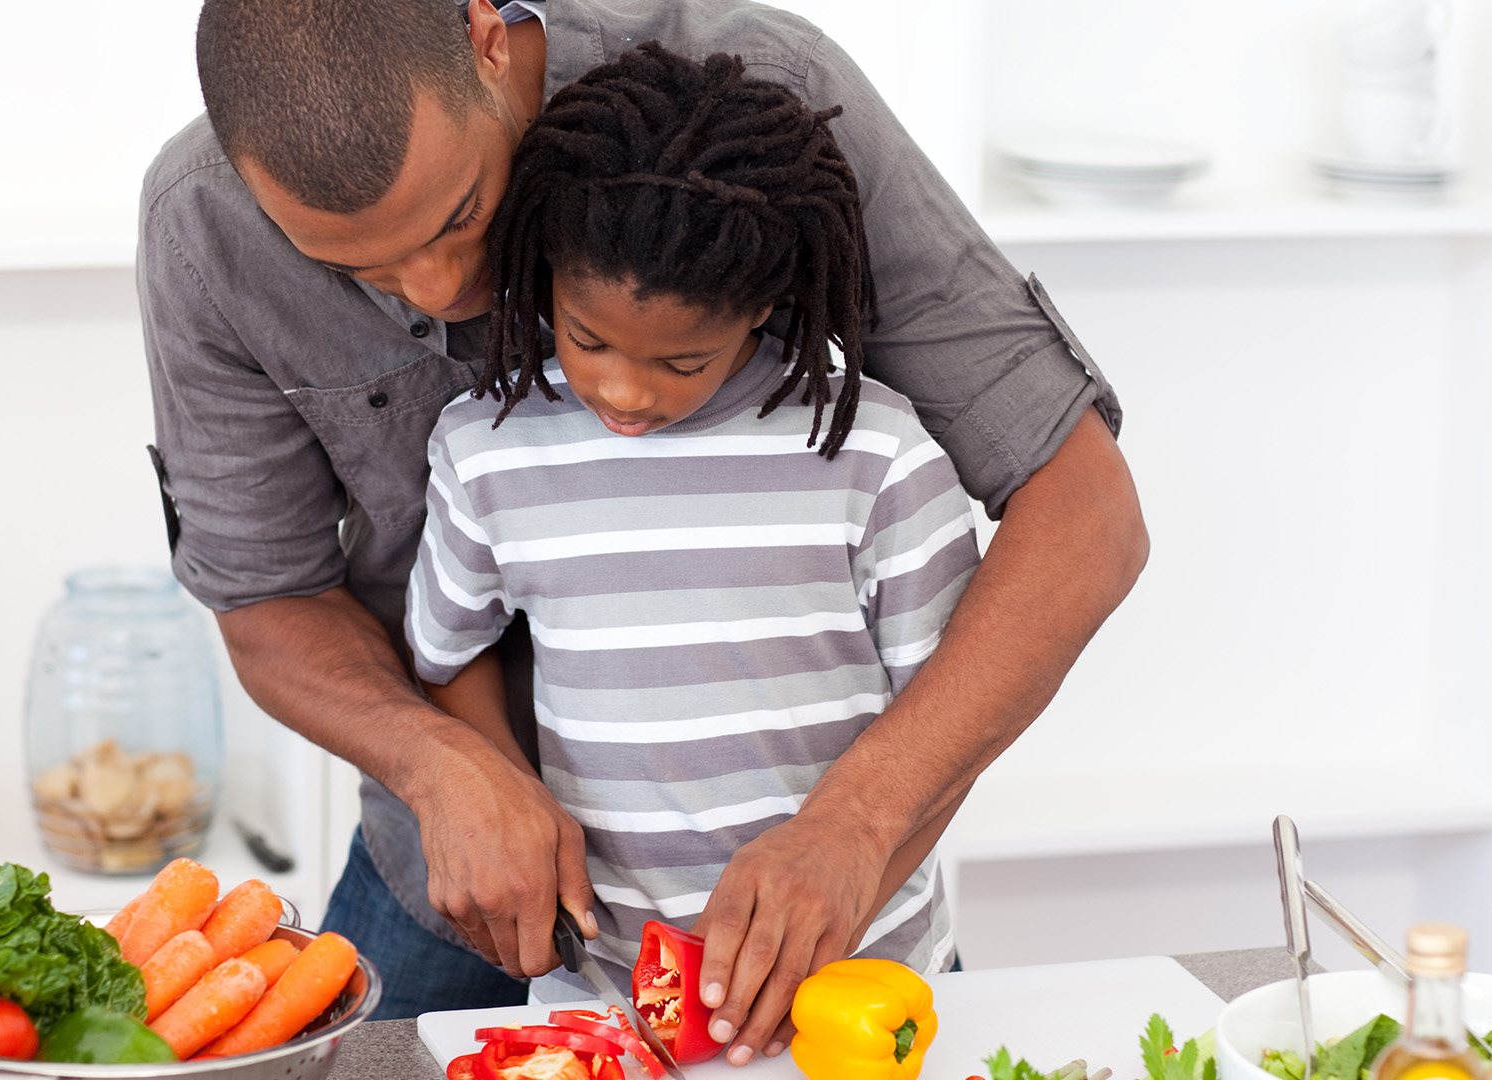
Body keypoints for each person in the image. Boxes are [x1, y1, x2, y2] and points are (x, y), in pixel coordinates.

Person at [141, 0, 1146, 1059]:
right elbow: (267, 601)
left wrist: (856, 829)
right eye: (359, 271)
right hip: (444, 875)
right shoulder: (204, 225)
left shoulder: (759, 88)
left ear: (488, 39)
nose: (441, 290)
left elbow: (1085, 509)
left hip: (816, 912)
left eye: (458, 214)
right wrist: (442, 766)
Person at [407, 41, 979, 1003]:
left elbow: (955, 723)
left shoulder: (875, 456)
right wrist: (509, 794)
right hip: (611, 995)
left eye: (683, 362)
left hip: (865, 985)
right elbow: (445, 651)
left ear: (762, 306)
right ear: (542, 268)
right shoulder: (489, 450)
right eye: (588, 340)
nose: (624, 392)